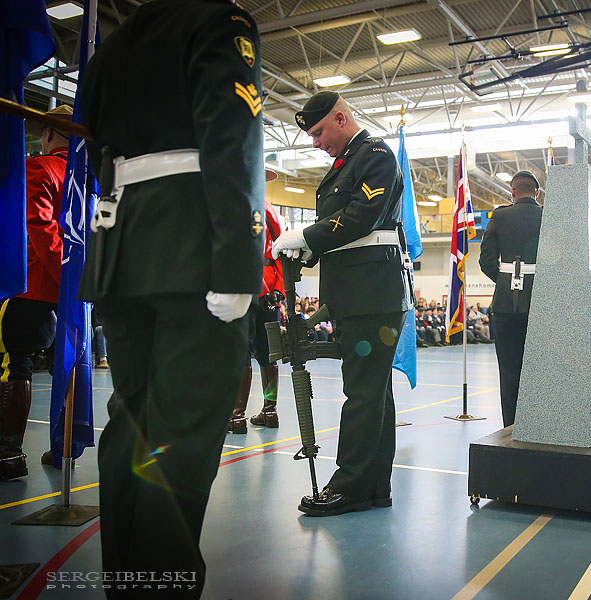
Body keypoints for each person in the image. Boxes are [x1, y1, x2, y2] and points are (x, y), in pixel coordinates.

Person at [77, 0, 264, 594]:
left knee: (130, 429)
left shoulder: (114, 40)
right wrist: (238, 260)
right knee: (179, 440)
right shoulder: (218, 20)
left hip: (123, 246)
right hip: (194, 245)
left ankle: (128, 585)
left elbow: (97, 140)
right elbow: (229, 136)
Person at [273, 91, 413, 517]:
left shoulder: (375, 156)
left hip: (373, 294)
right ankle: (373, 487)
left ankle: (350, 485)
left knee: (362, 392)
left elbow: (360, 218)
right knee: (373, 394)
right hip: (358, 293)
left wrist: (306, 237)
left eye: (318, 132)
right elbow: (345, 231)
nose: (315, 141)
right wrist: (308, 250)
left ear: (340, 118)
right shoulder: (345, 163)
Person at [0, 105, 71, 480]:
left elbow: (39, 230)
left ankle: (8, 453)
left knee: (14, 363)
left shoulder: (39, 167)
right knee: (66, 365)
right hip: (67, 293)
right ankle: (65, 445)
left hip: (29, 286)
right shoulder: (84, 180)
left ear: (46, 135)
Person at [478, 170, 543, 427]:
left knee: (509, 369)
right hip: (542, 303)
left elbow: (486, 260)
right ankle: (538, 425)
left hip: (506, 304)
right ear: (537, 193)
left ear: (512, 192)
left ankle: (511, 428)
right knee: (541, 369)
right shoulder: (548, 215)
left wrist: (505, 282)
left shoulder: (500, 215)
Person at [228, 172, 287, 433]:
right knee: (267, 354)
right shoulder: (272, 210)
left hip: (243, 287)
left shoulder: (236, 205)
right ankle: (270, 411)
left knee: (241, 352)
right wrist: (279, 291)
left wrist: (262, 290)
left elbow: (241, 251)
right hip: (270, 290)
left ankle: (237, 416)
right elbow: (283, 253)